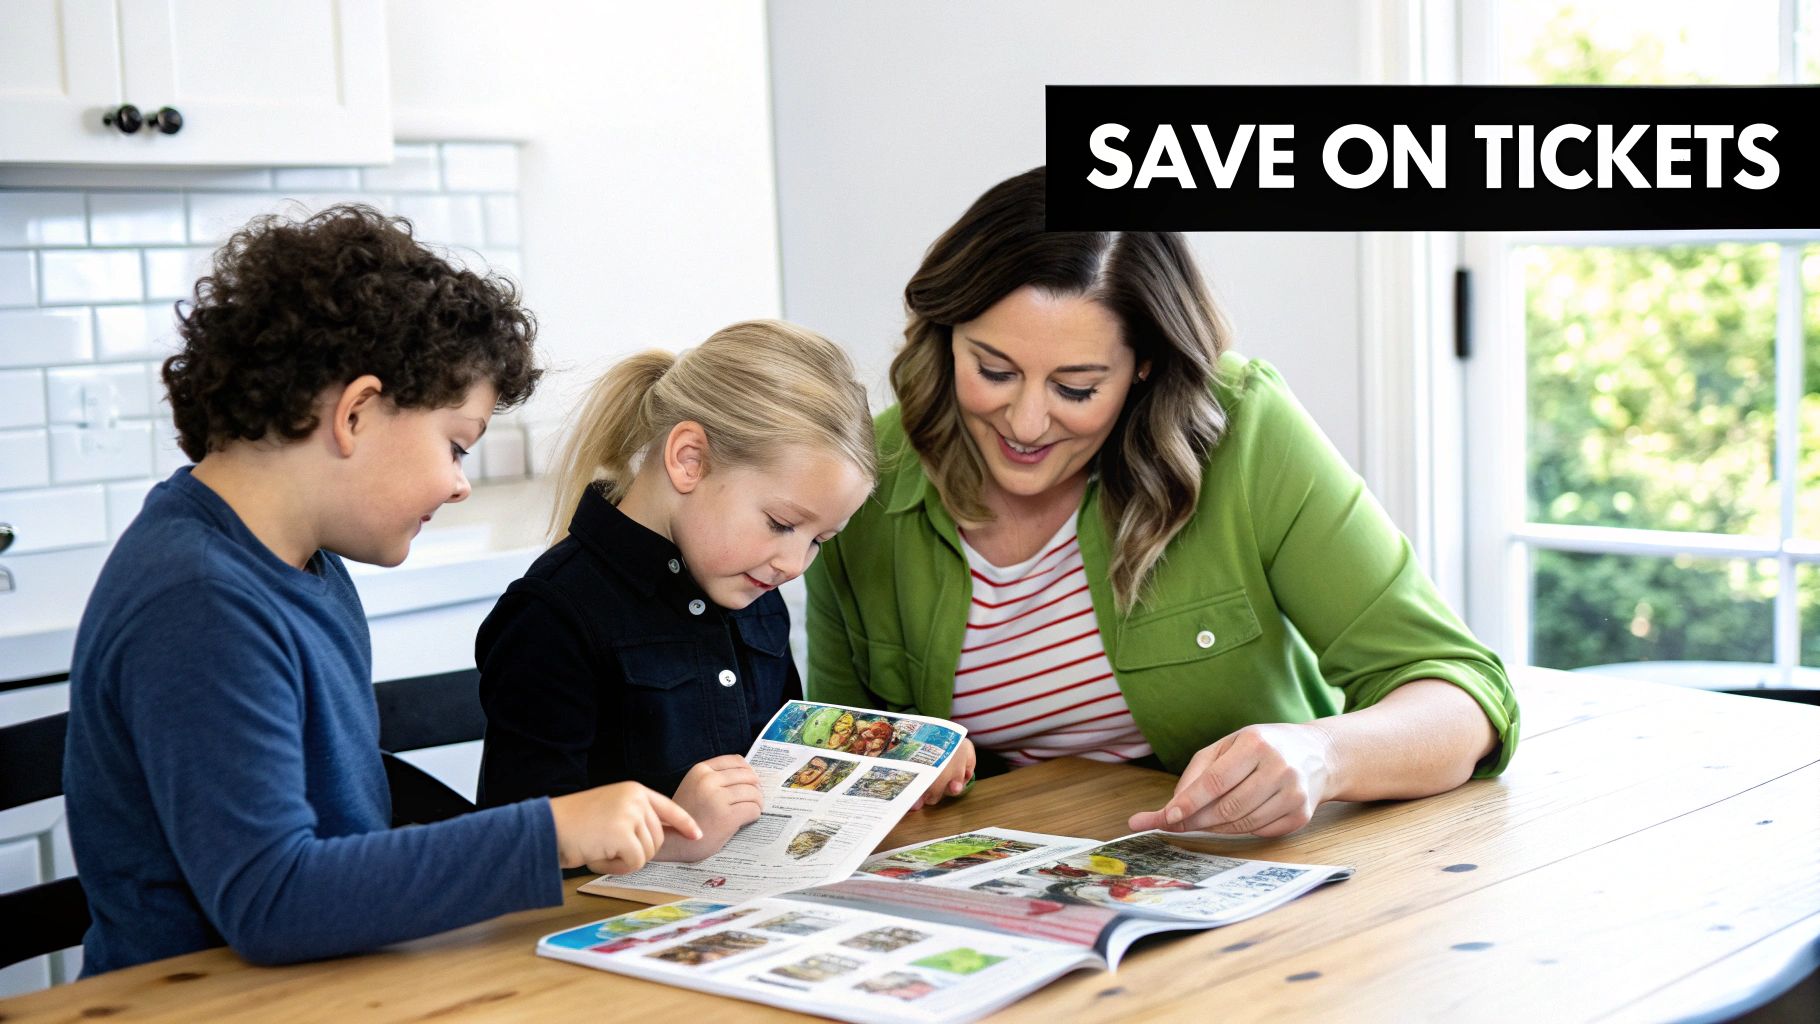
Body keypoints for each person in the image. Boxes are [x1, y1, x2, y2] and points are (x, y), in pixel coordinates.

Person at [62, 206, 701, 975]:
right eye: (456, 446)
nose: (460, 485)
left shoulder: (306, 567)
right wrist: (547, 832)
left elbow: (341, 827)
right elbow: (274, 901)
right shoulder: (199, 601)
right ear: (356, 412)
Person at [804, 167, 1519, 836]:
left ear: (1145, 365)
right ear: (946, 336)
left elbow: (1464, 696)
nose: (1025, 423)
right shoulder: (862, 478)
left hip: (1246, 881)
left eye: (1076, 388)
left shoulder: (1244, 431)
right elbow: (832, 755)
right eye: (993, 370)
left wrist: (1323, 754)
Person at [475, 320, 876, 860]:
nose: (793, 563)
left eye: (819, 540)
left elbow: (788, 770)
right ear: (689, 460)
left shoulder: (756, 590)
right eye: (782, 524)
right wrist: (670, 838)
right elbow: (511, 851)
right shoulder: (551, 615)